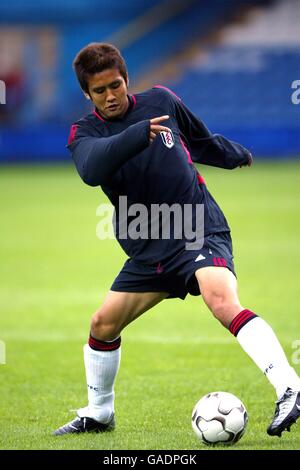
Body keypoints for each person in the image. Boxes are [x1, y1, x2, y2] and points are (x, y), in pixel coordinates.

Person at [54, 43, 300, 437]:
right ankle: (99, 413)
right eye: (99, 91)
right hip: (149, 245)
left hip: (196, 225)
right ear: (87, 94)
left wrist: (233, 154)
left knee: (221, 301)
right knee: (103, 324)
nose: (110, 95)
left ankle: (289, 386)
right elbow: (90, 168)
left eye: (115, 85)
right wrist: (136, 135)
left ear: (126, 79)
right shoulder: (85, 132)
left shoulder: (161, 101)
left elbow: (200, 142)